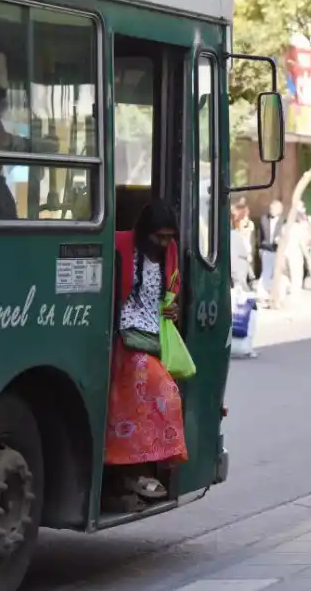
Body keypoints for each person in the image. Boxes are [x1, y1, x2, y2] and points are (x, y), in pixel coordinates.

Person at [105, 200, 188, 511]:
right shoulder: (120, 245)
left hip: (155, 338)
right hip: (125, 339)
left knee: (155, 399)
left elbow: (169, 295)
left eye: (169, 237)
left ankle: (139, 468)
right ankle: (132, 471)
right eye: (159, 237)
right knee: (158, 391)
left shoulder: (170, 252)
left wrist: (172, 308)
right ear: (144, 233)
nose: (164, 243)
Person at [258, 201, 284, 296]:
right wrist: (260, 248)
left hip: (278, 251)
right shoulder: (264, 219)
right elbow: (260, 235)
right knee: (266, 271)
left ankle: (277, 293)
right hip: (266, 249)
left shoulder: (283, 221)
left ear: (280, 210)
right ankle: (263, 293)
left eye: (274, 209)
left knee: (277, 273)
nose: (271, 211)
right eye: (271, 208)